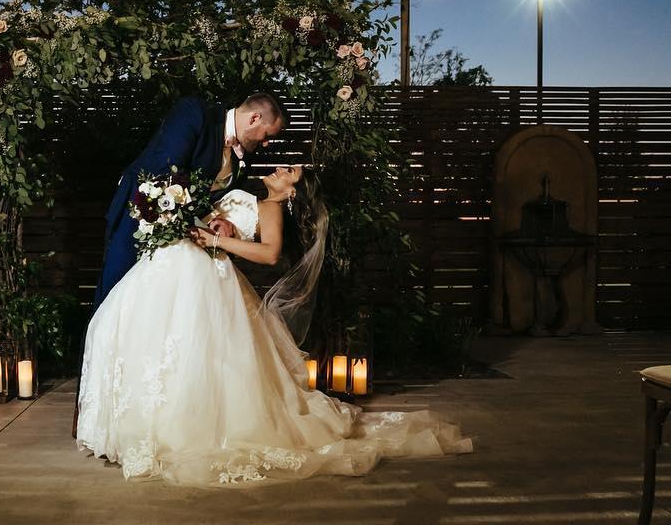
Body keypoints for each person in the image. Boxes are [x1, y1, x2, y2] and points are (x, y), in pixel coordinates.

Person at [75, 165, 475, 486]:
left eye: (289, 173)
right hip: (185, 267)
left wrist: (217, 243)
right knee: (162, 345)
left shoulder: (271, 207)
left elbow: (269, 254)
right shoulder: (247, 189)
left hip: (209, 273)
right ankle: (142, 426)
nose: (281, 169)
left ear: (292, 192)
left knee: (197, 355)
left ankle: (171, 431)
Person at [94, 92, 285, 308]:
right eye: (267, 135)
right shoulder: (195, 113)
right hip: (140, 218)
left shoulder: (244, 159)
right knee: (114, 299)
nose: (267, 143)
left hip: (183, 245)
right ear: (254, 118)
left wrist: (215, 219)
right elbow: (164, 173)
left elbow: (214, 197)